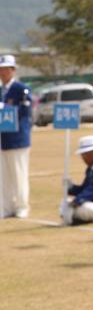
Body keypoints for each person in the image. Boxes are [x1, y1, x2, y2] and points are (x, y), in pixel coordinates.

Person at [0, 54, 32, 218]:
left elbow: (25, 111)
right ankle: (6, 207)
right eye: (1, 70)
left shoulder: (21, 89)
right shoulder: (1, 91)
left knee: (19, 173)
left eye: (6, 70)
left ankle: (21, 206)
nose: (3, 73)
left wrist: (5, 108)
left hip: (18, 138)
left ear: (13, 70)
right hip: (2, 139)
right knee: (4, 176)